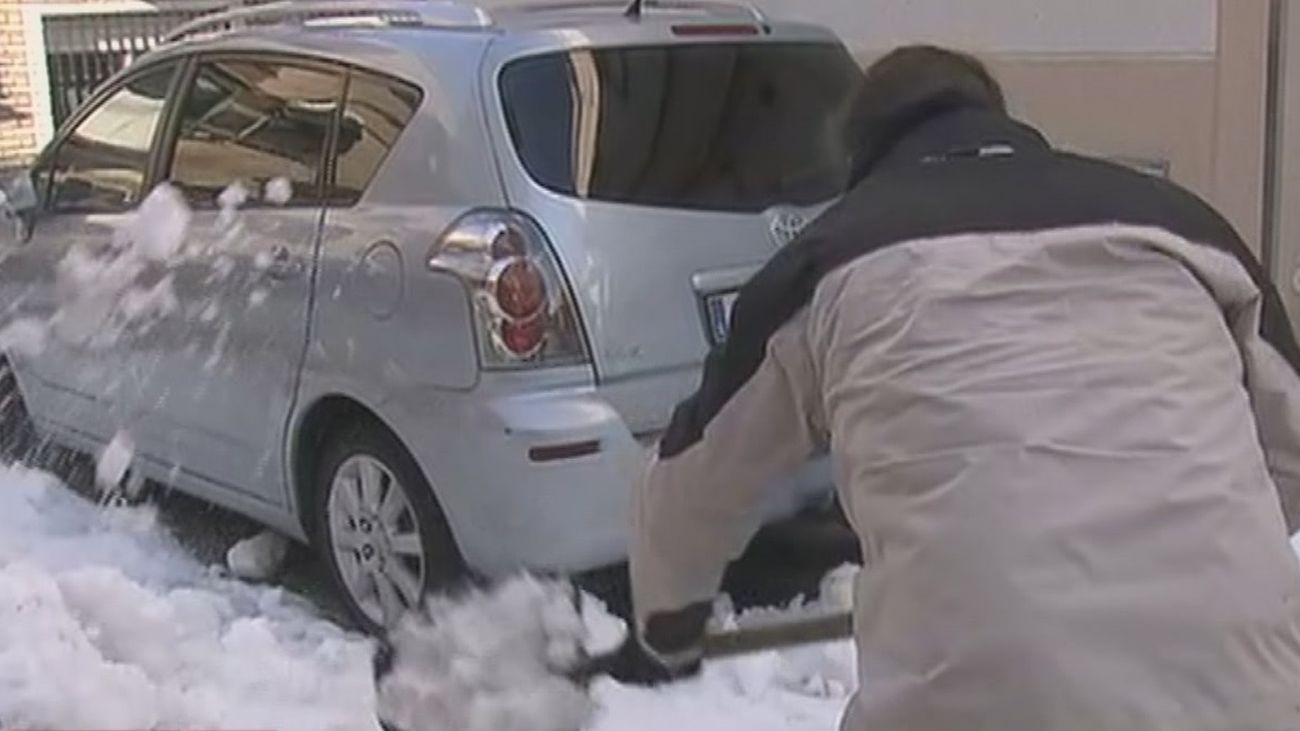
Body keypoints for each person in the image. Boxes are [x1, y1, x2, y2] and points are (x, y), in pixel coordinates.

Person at [610, 45, 1300, 730]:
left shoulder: (829, 262)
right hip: (1247, 694)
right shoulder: (1180, 226)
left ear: (861, 155)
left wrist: (668, 624)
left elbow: (691, 490)